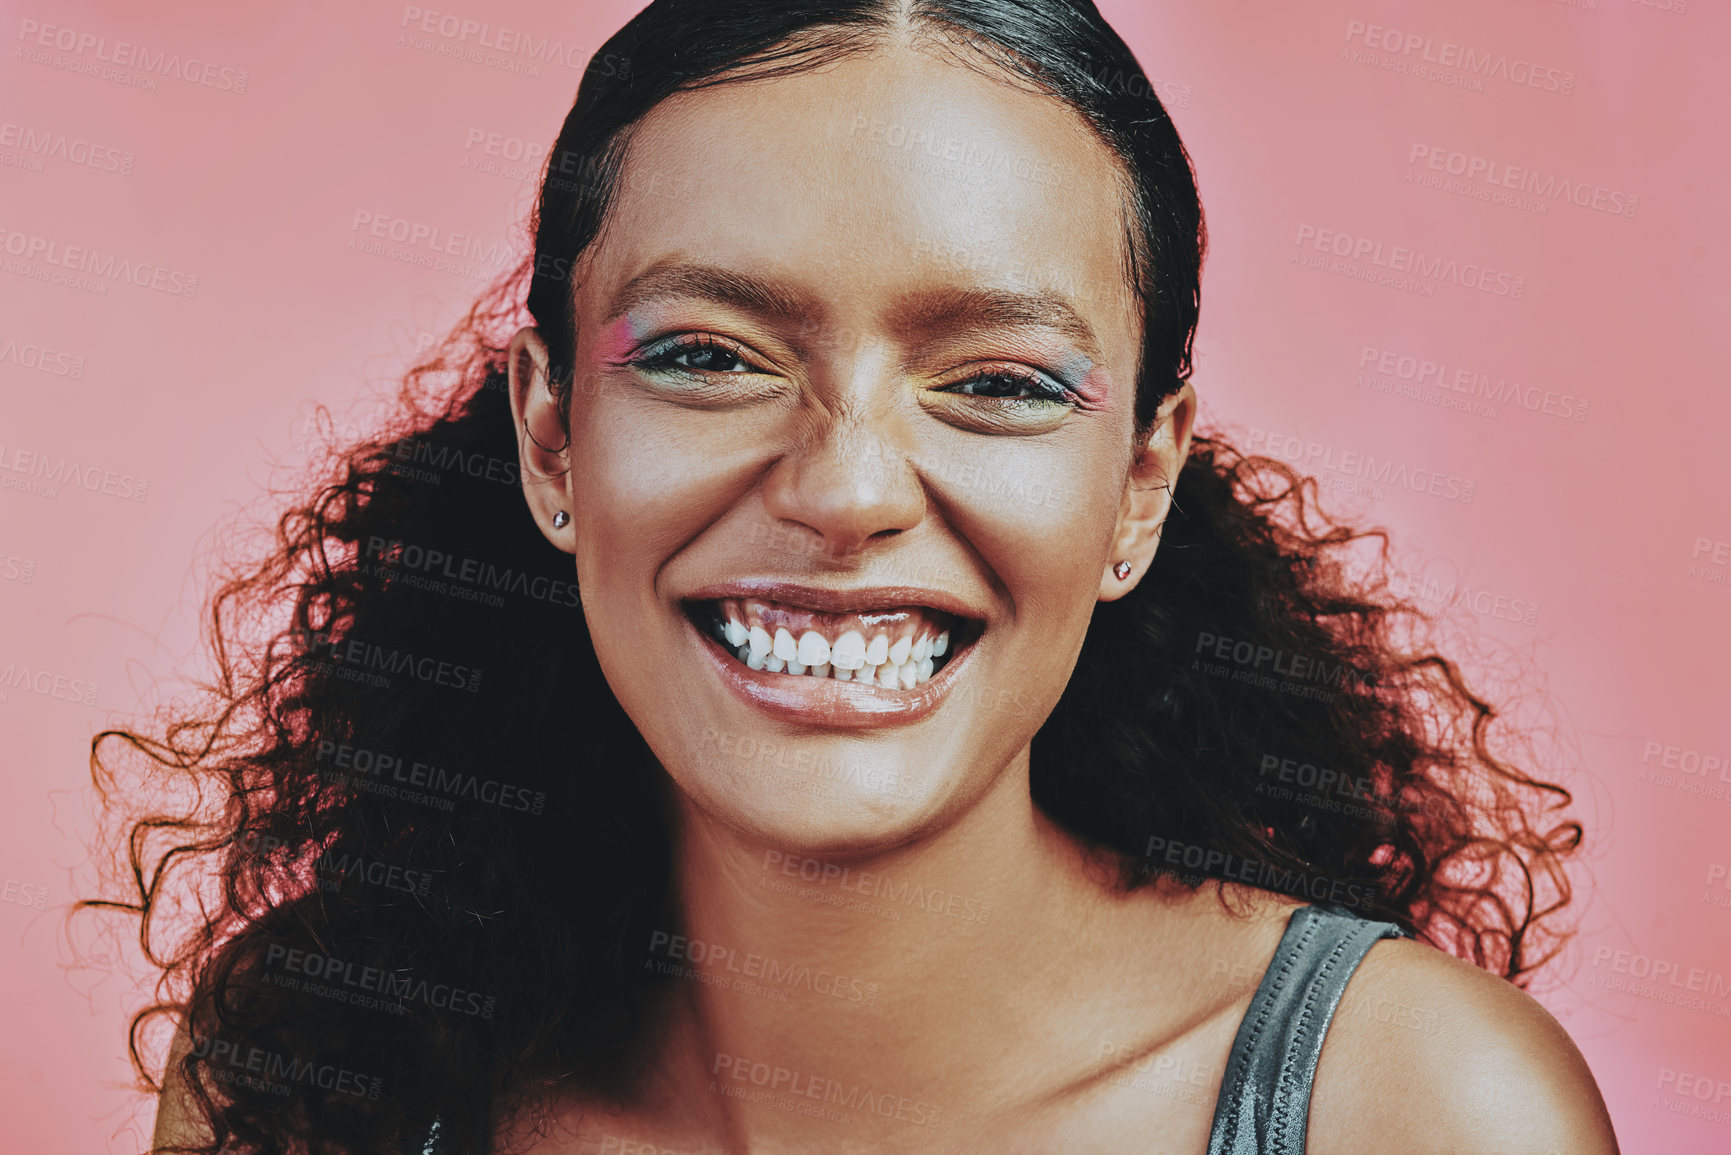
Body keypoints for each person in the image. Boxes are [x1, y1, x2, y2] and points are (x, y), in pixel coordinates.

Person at [114, 1, 1617, 1152]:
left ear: (1141, 483)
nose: (842, 490)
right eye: (708, 357)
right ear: (554, 439)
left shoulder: (1414, 1111)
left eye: (1004, 383)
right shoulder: (310, 1073)